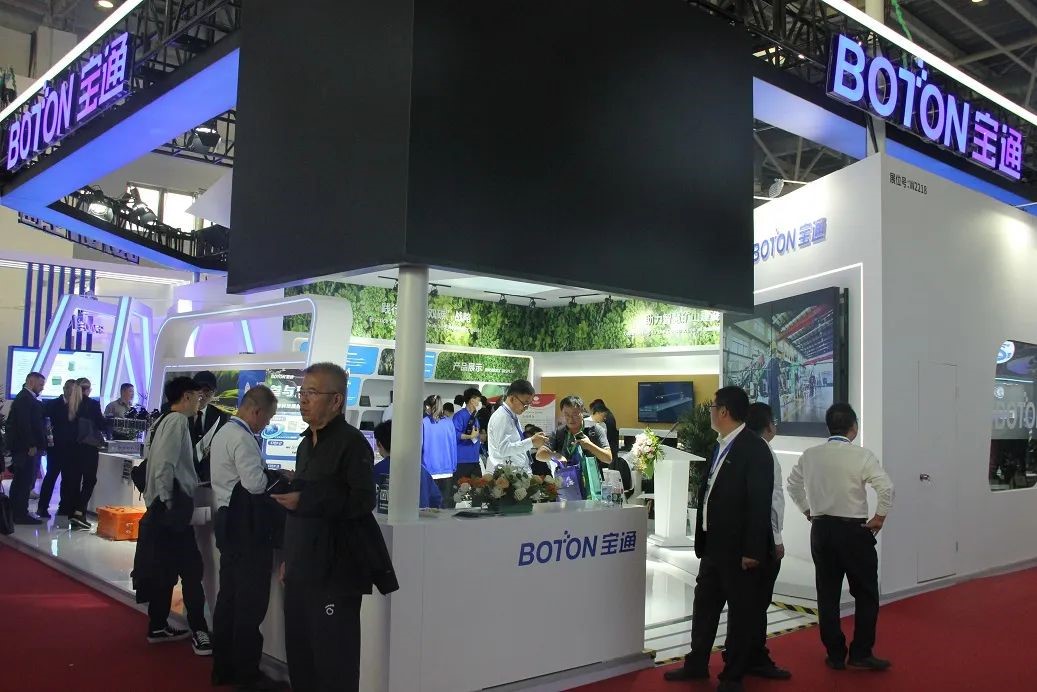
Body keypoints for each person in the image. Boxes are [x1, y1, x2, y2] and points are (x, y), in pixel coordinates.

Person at [271, 362, 376, 692]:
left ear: (336, 400)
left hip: (335, 571)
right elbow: (300, 509)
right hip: (301, 567)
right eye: (302, 392)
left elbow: (362, 501)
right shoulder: (305, 445)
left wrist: (307, 499)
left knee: (334, 664)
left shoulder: (352, 444)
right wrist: (289, 557)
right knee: (301, 658)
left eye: (312, 393)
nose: (303, 399)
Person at [664, 387, 774, 692]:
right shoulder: (722, 444)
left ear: (723, 411)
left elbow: (759, 503)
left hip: (739, 550)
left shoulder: (754, 448)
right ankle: (696, 664)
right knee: (705, 607)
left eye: (713, 407)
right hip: (714, 545)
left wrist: (753, 550)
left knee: (740, 614)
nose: (711, 411)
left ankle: (732, 676)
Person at [786, 403, 894, 672]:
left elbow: (792, 484)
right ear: (853, 428)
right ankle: (861, 653)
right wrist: (879, 517)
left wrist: (808, 511)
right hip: (854, 532)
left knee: (827, 594)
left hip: (821, 531)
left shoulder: (810, 455)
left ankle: (835, 654)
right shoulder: (862, 456)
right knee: (866, 594)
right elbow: (886, 487)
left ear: (829, 427)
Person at [210, 385, 284, 690]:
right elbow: (255, 484)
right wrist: (279, 479)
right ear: (256, 411)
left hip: (227, 523)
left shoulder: (224, 433)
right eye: (267, 418)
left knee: (228, 598)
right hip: (246, 528)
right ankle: (247, 673)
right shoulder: (242, 438)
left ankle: (223, 667)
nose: (266, 424)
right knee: (250, 602)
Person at [141, 376, 212, 655]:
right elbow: (164, 466)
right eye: (197, 396)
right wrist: (170, 503)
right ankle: (199, 631)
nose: (199, 402)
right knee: (192, 570)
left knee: (166, 569)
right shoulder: (177, 422)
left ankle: (158, 626)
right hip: (171, 510)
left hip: (162, 509)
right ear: (186, 396)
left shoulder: (162, 420)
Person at [729, 402, 790, 680]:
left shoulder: (736, 448)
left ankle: (737, 655)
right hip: (760, 541)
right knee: (756, 603)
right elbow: (772, 501)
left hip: (738, 541)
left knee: (743, 604)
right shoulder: (765, 453)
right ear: (768, 426)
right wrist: (776, 539)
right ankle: (753, 658)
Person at [542, 396, 612, 499]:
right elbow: (540, 455)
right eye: (567, 414)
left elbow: (608, 458)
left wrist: (590, 445)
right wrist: (556, 455)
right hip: (566, 487)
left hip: (592, 487)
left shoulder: (595, 430)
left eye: (575, 414)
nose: (571, 419)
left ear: (582, 412)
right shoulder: (558, 432)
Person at [65, 378, 108, 531]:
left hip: (71, 449)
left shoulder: (69, 404)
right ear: (88, 389)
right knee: (89, 480)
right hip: (88, 448)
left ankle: (72, 513)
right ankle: (79, 512)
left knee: (74, 481)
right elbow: (101, 425)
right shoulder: (92, 404)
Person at [372, 420, 441, 509]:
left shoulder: (377, 470)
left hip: (387, 517)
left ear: (379, 444)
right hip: (421, 516)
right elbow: (436, 499)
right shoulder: (420, 469)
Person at [6, 372, 46, 524]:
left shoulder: (26, 397)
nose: (42, 388)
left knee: (21, 480)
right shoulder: (25, 398)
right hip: (25, 448)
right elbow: (24, 424)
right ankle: (20, 513)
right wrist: (31, 444)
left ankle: (16, 512)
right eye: (40, 384)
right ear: (31, 381)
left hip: (23, 447)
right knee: (24, 481)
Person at [487, 380, 548, 472]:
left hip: (517, 471)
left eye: (529, 404)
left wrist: (533, 442)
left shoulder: (511, 416)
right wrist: (531, 441)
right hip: (508, 473)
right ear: (512, 399)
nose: (527, 408)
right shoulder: (501, 417)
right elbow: (503, 450)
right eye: (525, 403)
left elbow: (515, 445)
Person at [39, 380, 77, 519]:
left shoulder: (77, 406)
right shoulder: (52, 404)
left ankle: (63, 508)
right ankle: (42, 507)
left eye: (74, 390)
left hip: (71, 448)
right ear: (64, 389)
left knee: (67, 480)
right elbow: (46, 425)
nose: (71, 392)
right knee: (51, 477)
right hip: (55, 448)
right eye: (69, 389)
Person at [589, 399, 631, 499]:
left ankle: (606, 497)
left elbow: (605, 439)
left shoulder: (604, 421)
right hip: (611, 451)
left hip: (607, 453)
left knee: (605, 477)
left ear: (597, 411)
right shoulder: (608, 416)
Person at [192, 371, 230, 480]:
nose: (201, 394)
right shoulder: (180, 414)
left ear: (214, 393)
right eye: (198, 389)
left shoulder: (221, 417)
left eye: (206, 390)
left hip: (210, 477)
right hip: (182, 475)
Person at [422, 395, 458, 505]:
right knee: (444, 507)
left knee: (429, 508)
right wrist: (453, 466)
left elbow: (419, 447)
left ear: (427, 406)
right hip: (447, 470)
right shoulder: (449, 423)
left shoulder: (423, 423)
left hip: (429, 470)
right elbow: (453, 446)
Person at [453, 389, 482, 481]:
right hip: (462, 460)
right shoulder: (459, 415)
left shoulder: (475, 416)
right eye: (478, 400)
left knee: (478, 486)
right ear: (472, 400)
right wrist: (469, 436)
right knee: (460, 487)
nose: (479, 403)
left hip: (474, 458)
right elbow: (455, 434)